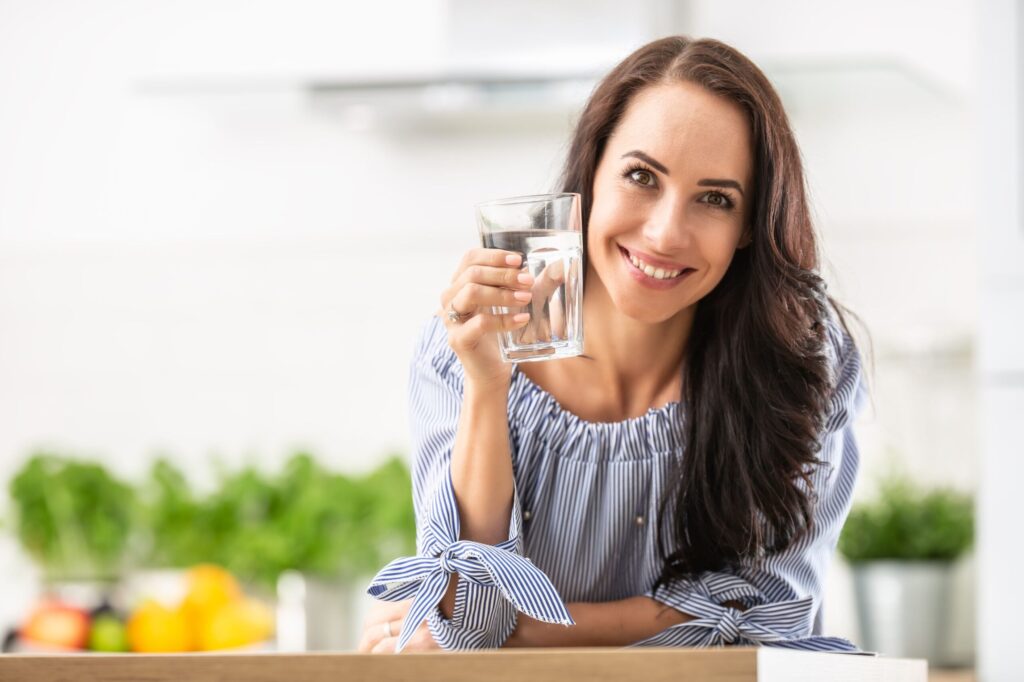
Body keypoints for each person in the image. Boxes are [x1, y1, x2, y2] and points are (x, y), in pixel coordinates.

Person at [358, 35, 867, 654]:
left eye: (715, 199)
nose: (664, 232)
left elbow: (771, 620)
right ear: (591, 175)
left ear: (747, 227)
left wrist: (524, 631)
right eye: (641, 176)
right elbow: (468, 616)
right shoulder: (463, 349)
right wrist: (489, 387)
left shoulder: (801, 358)